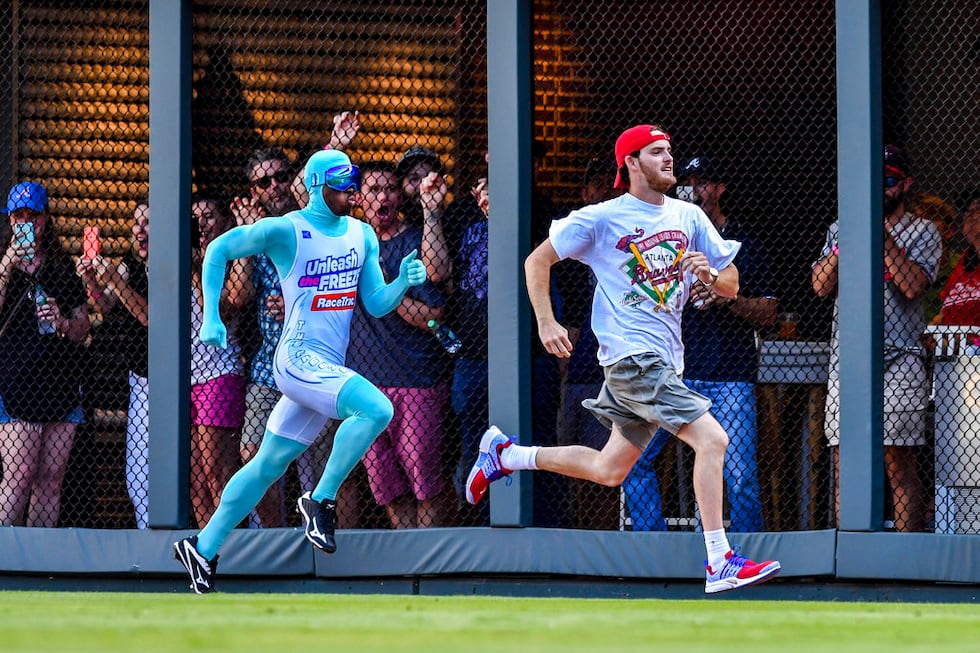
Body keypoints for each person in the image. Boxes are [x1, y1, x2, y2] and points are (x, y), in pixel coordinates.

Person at [465, 125, 781, 594]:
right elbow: (537, 262)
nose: (668, 159)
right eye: (657, 153)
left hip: (663, 362)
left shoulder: (689, 216)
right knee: (713, 439)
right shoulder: (602, 217)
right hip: (632, 359)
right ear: (631, 163)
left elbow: (732, 283)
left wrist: (710, 273)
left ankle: (507, 455)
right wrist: (546, 322)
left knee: (609, 469)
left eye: (669, 150)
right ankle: (719, 560)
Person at [174, 148, 426, 593]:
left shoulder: (362, 234)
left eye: (353, 181)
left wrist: (402, 281)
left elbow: (375, 303)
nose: (350, 190)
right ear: (314, 186)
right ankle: (320, 500)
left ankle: (203, 546)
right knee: (377, 410)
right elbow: (217, 248)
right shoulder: (287, 229)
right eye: (340, 183)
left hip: (325, 365)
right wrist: (211, 316)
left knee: (266, 466)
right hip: (294, 358)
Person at [623, 155, 774, 533]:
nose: (695, 190)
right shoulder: (664, 240)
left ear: (720, 189)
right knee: (634, 460)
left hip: (730, 377)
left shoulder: (742, 244)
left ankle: (745, 556)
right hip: (676, 373)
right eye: (688, 183)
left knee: (739, 478)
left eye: (704, 182)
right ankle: (652, 549)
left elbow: (770, 312)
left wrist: (728, 298)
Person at [229, 113, 363, 528]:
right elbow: (236, 296)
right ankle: (276, 539)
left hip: (318, 361)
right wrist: (247, 240)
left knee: (329, 461)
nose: (275, 187)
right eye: (264, 182)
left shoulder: (317, 221)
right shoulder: (265, 230)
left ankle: (340, 543)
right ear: (252, 190)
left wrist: (335, 141)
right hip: (270, 365)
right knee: (255, 456)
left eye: (282, 177)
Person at [811, 144, 941, 533]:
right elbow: (819, 286)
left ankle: (906, 553)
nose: (878, 190)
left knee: (897, 459)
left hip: (900, 356)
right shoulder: (840, 227)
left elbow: (913, 285)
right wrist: (848, 236)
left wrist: (881, 236)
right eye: (871, 183)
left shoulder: (923, 230)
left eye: (886, 182)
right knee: (843, 458)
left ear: (905, 185)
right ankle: (850, 548)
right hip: (848, 359)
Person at [347, 161, 454, 528]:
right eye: (373, 191)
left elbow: (435, 316)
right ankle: (408, 556)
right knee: (383, 482)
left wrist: (386, 291)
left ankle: (431, 557)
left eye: (390, 189)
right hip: (364, 384)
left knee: (423, 473)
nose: (383, 197)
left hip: (417, 379)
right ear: (358, 198)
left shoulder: (414, 243)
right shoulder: (350, 241)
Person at [0, 181, 90, 527]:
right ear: (9, 220)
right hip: (16, 381)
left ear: (45, 218)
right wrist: (8, 263)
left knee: (51, 478)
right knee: (19, 472)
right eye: (18, 215)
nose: (26, 222)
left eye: (33, 215)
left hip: (58, 381)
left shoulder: (61, 267)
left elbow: (83, 329)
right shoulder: (3, 261)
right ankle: (6, 555)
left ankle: (42, 555)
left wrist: (63, 320)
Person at [555, 157, 623, 530]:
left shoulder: (628, 236)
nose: (604, 189)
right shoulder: (571, 240)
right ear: (583, 193)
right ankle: (569, 534)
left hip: (609, 373)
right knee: (567, 460)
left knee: (603, 467)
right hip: (573, 370)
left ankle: (603, 537)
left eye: (610, 183)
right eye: (595, 183)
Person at [75, 201, 150, 528]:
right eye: (136, 223)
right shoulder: (128, 265)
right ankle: (148, 533)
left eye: (148, 223)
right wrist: (92, 281)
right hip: (142, 378)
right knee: (136, 471)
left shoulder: (174, 264)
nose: (140, 230)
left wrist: (115, 282)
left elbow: (149, 317)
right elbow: (105, 305)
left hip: (181, 380)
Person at [189, 193, 251, 528]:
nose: (201, 224)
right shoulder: (177, 256)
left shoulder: (226, 259)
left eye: (209, 216)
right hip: (185, 377)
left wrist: (199, 268)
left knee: (218, 473)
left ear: (225, 222)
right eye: (194, 217)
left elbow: (226, 309)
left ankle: (232, 545)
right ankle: (207, 552)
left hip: (218, 373)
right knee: (195, 482)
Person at [931, 190, 980, 350]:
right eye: (967, 211)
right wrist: (931, 331)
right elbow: (944, 310)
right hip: (951, 356)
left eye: (977, 210)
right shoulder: (964, 262)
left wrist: (967, 340)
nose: (970, 216)